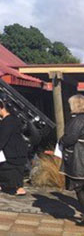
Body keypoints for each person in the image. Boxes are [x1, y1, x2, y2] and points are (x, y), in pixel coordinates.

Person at [0, 101, 28, 195]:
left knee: (6, 168)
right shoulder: (14, 120)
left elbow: (4, 135)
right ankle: (17, 187)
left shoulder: (8, 121)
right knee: (15, 169)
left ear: (2, 108)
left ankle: (7, 185)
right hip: (17, 150)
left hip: (11, 150)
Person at [60, 94, 84, 225]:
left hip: (80, 159)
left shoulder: (77, 120)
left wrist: (61, 140)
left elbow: (69, 139)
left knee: (80, 189)